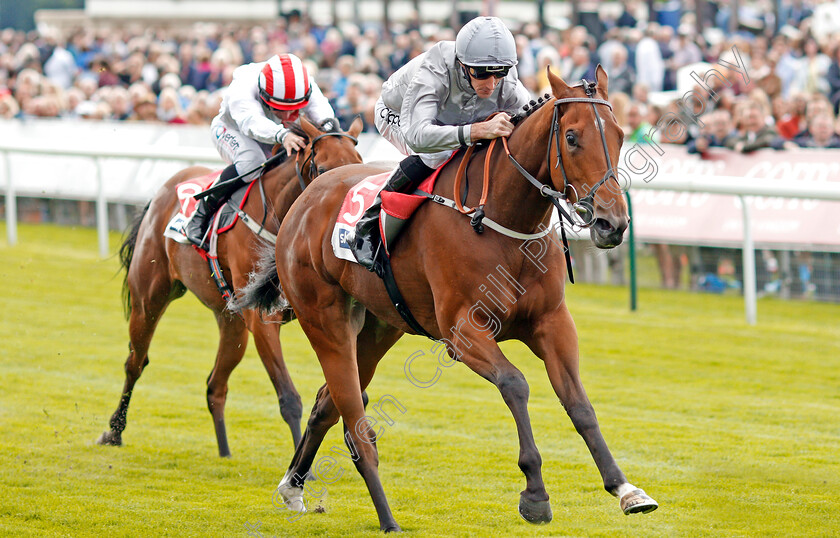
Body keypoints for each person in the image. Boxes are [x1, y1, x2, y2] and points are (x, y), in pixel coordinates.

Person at [350, 16, 532, 270]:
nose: (491, 85)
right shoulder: (434, 69)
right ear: (462, 64)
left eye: (499, 74)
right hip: (400, 114)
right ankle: (369, 223)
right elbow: (419, 136)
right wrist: (477, 130)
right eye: (481, 75)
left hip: (456, 118)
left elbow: (532, 123)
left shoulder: (506, 80)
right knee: (437, 154)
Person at [184, 53, 335, 248]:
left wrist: (330, 133)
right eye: (281, 108)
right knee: (253, 162)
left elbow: (324, 114)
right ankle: (200, 214)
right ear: (264, 96)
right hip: (235, 130)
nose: (289, 114)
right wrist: (282, 135)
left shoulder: (305, 84)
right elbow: (249, 122)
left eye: (295, 108)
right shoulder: (244, 85)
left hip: (278, 131)